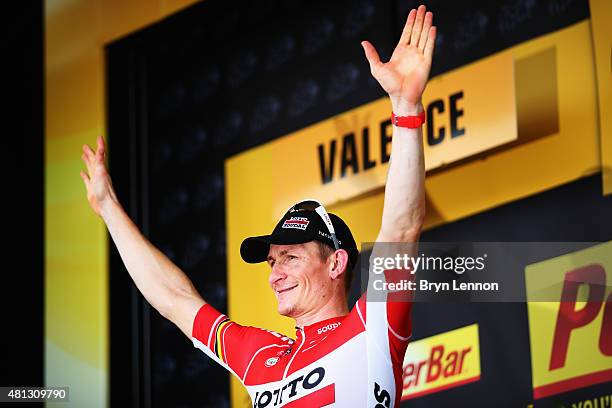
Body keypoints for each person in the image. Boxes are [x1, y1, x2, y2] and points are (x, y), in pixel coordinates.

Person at [80, 4, 435, 407]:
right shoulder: (259, 355)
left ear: (335, 263)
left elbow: (401, 231)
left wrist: (406, 111)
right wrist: (108, 207)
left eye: (290, 258)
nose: (275, 275)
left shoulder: (373, 328)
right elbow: (174, 299)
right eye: (272, 262)